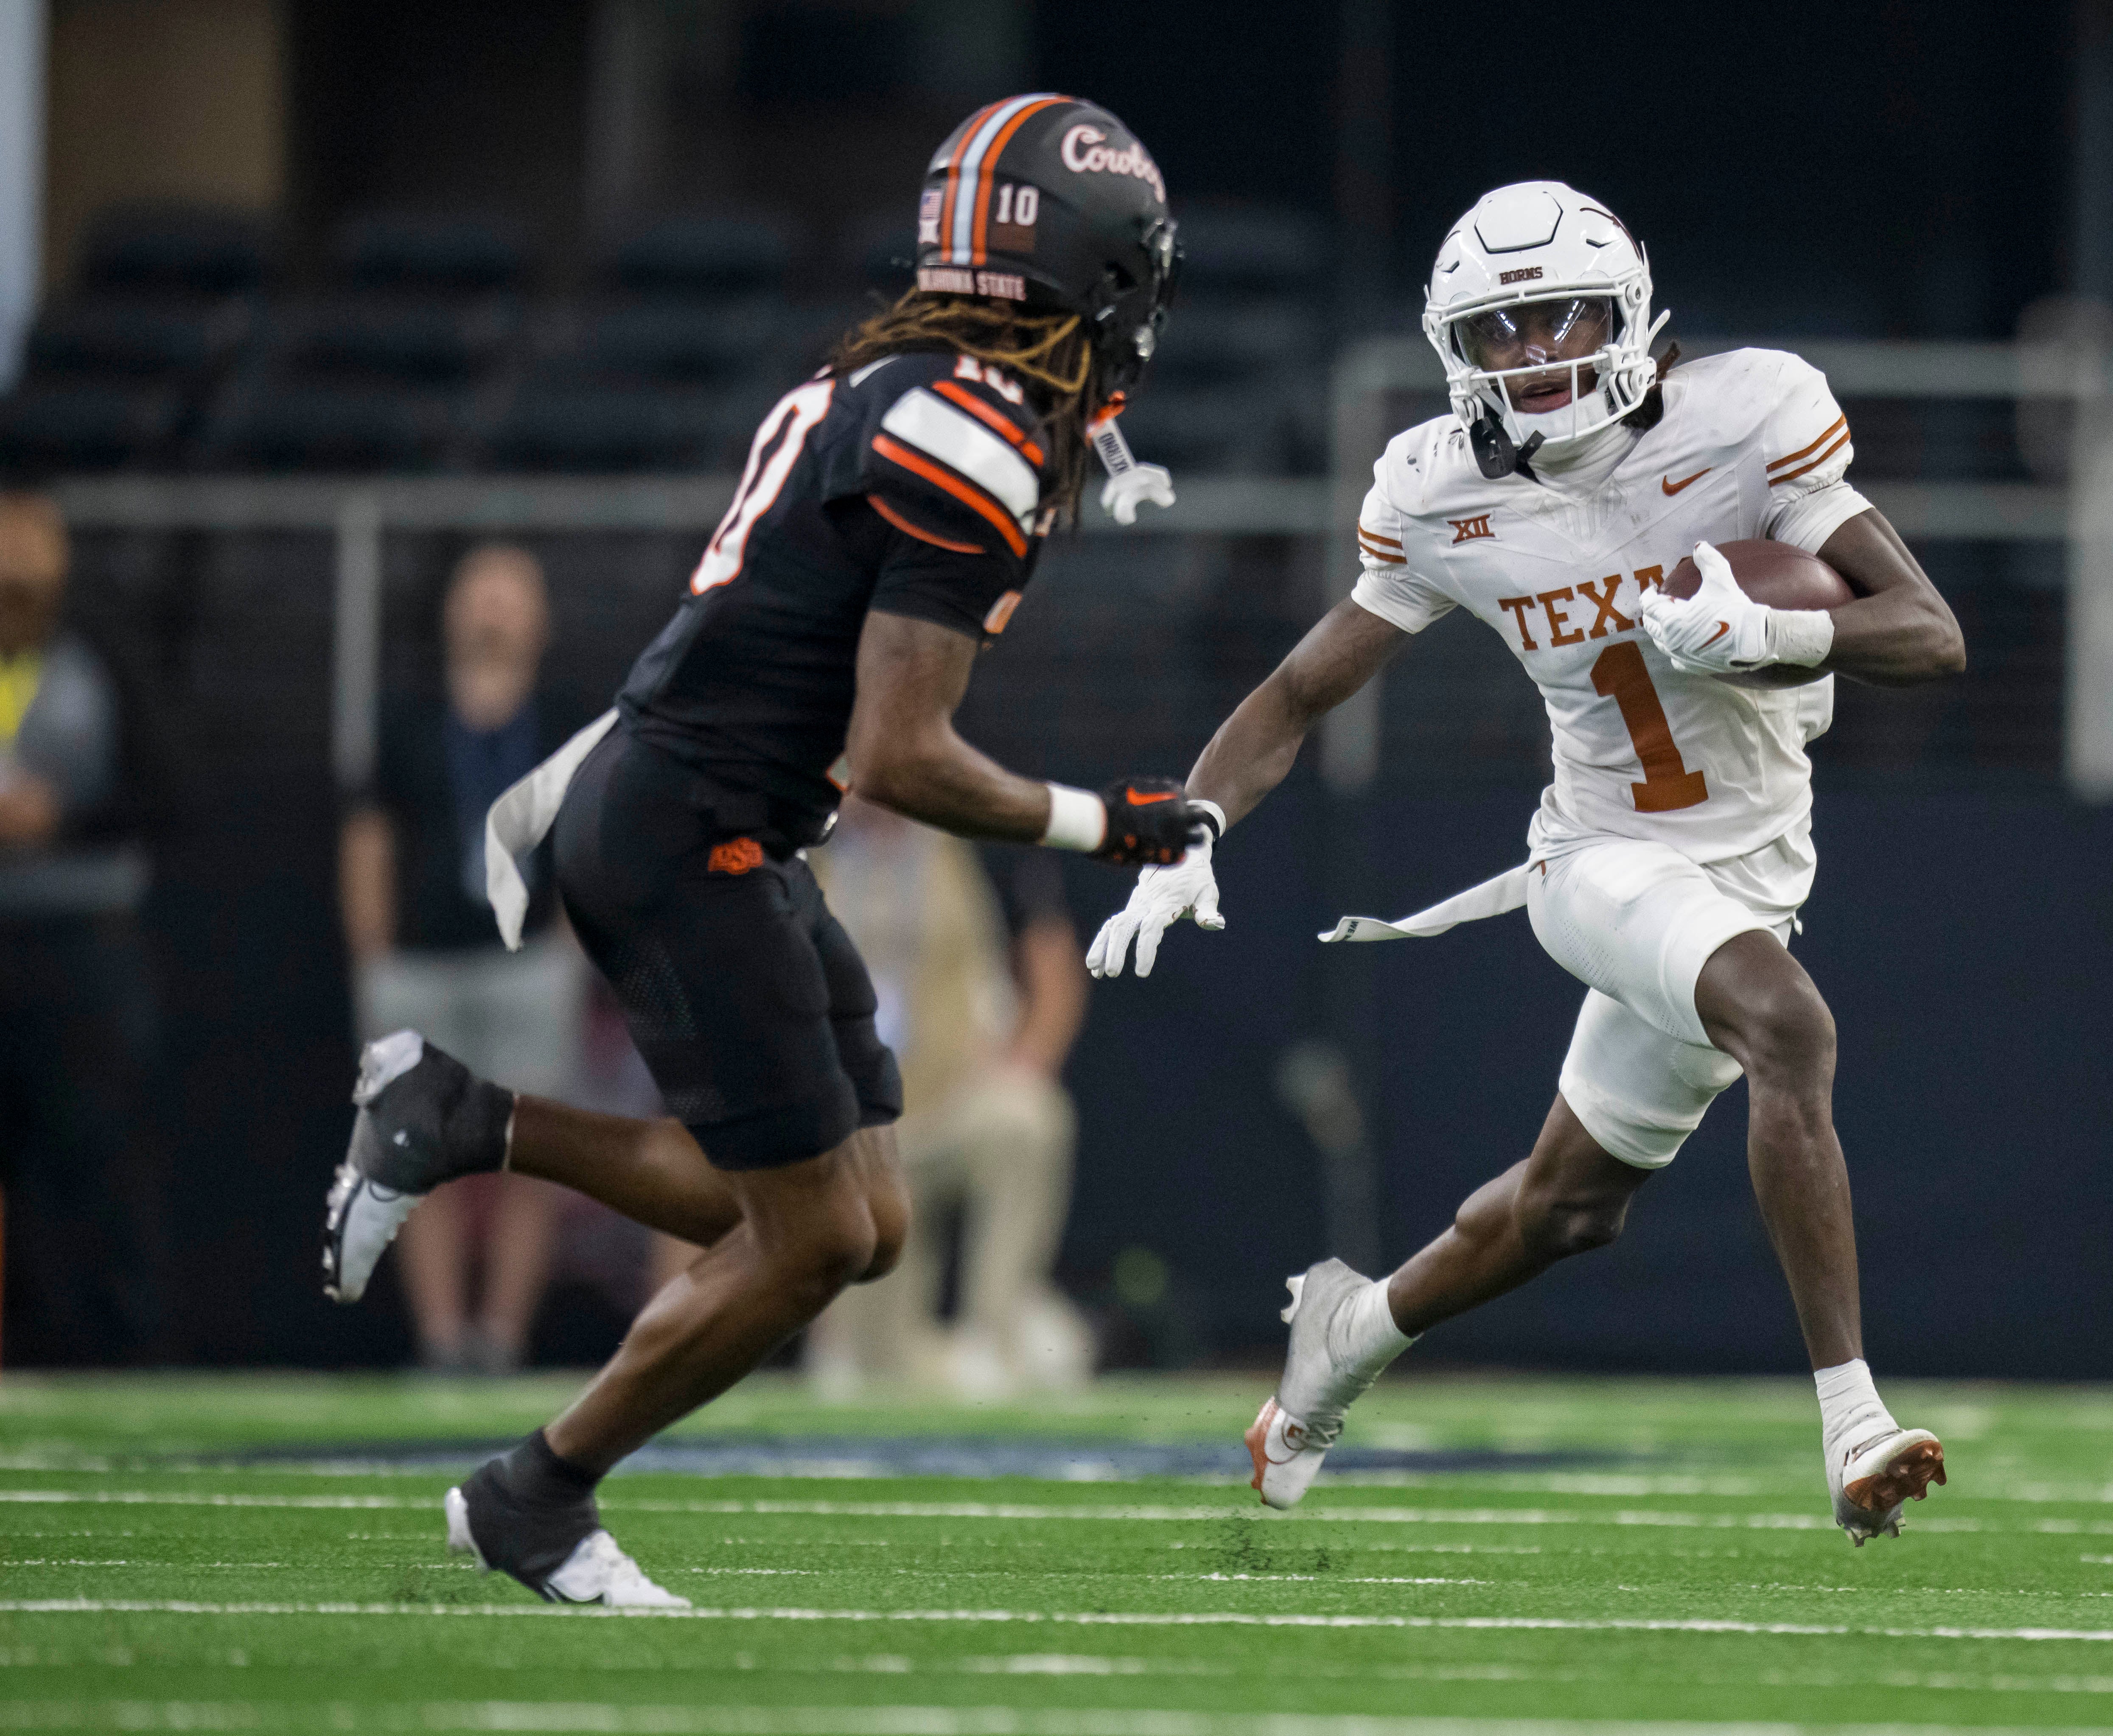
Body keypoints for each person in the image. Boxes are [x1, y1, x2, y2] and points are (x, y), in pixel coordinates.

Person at [317, 94, 1205, 1605]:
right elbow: (899, 756)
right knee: (803, 1245)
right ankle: (537, 1494)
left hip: (706, 812)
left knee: (866, 1223)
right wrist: (1099, 822)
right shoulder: (976, 441)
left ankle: (461, 1117)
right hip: (693, 830)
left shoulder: (894, 380)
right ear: (1091, 281)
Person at [1088, 182, 1965, 1544]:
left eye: (1560, 317)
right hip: (1599, 860)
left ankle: (1347, 1335)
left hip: (1751, 875)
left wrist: (1778, 637)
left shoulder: (1753, 415)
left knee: (1568, 1211)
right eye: (1498, 331)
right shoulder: (1440, 492)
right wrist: (1189, 824)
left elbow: (1931, 633)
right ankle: (1854, 1421)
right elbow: (1299, 693)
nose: (1535, 355)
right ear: (1454, 347)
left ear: (1629, 315)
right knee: (1789, 1024)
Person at [339, 545, 592, 1371]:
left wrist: (573, 949)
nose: (491, 614)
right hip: (420, 964)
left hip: (527, 964)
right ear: (451, 611)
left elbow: (591, 840)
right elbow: (370, 837)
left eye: (510, 599)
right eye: (478, 596)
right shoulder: (406, 713)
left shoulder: (561, 718)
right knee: (415, 1155)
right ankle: (443, 1338)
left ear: (541, 621)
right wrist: (374, 955)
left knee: (534, 1155)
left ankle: (503, 1337)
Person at [804, 802, 1092, 1395]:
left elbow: (1054, 965)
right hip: (860, 1128)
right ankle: (891, 1344)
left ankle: (1001, 1325)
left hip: (963, 1100)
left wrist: (1022, 1064)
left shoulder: (982, 841)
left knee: (1026, 1118)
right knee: (873, 1371)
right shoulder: (796, 854)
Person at [0, 491, 160, 1361]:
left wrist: (60, 819)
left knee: (90, 1152)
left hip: (80, 943)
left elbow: (164, 790)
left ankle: (105, 1346)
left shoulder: (100, 657)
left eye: (34, 546)